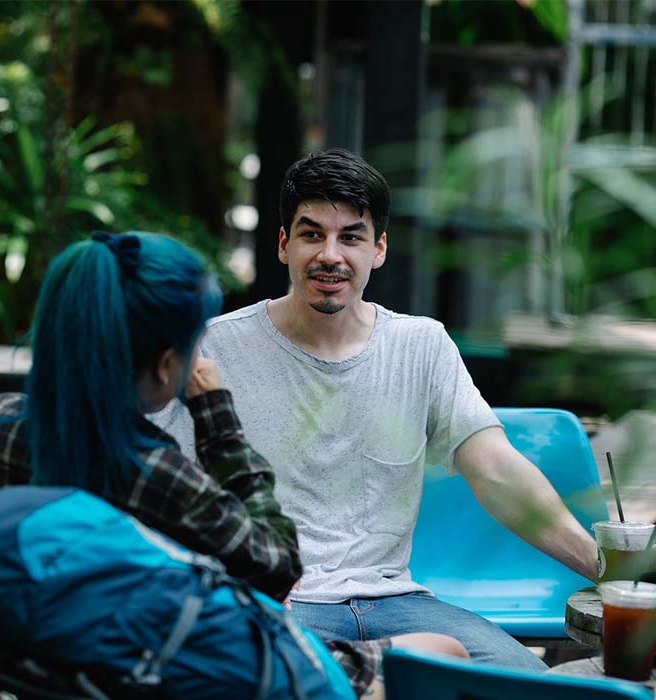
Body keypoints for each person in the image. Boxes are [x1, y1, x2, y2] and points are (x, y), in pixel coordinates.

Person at [0, 230, 468, 699]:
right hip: (173, 673)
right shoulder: (151, 472)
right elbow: (277, 568)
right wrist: (215, 416)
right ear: (168, 365)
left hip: (50, 670)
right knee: (443, 651)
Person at [155, 149, 600, 671]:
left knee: (525, 681)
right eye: (311, 233)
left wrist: (607, 568)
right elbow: (160, 484)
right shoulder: (214, 348)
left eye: (351, 237)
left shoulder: (421, 345)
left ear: (379, 249)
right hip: (278, 602)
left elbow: (498, 469)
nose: (330, 255)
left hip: (398, 603)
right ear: (283, 245)